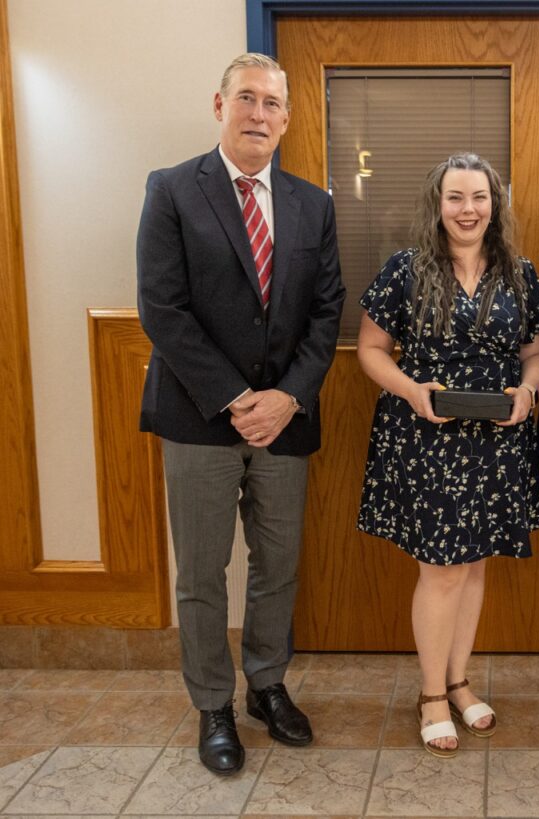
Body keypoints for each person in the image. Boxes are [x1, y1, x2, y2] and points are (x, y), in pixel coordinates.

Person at [137, 53, 344, 775]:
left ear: (287, 119)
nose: (260, 114)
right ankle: (213, 704)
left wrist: (287, 397)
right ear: (218, 105)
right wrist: (235, 399)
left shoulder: (312, 203)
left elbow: (326, 313)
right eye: (247, 99)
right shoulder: (172, 190)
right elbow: (162, 309)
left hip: (286, 420)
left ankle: (265, 684)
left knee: (277, 563)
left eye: (273, 104)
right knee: (200, 570)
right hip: (200, 417)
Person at [356, 153, 539, 757]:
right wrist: (412, 390)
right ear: (436, 205)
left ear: (496, 205)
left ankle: (460, 681)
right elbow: (370, 349)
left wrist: (529, 391)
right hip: (426, 437)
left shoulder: (519, 272)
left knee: (473, 567)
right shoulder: (405, 270)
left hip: (496, 442)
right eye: (455, 198)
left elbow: (536, 351)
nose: (468, 210)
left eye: (479, 198)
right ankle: (431, 695)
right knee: (440, 571)